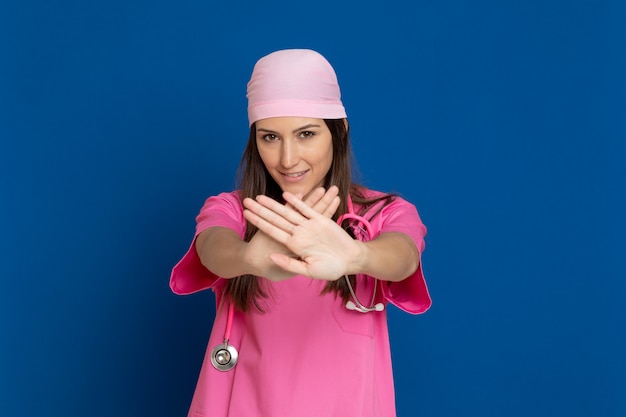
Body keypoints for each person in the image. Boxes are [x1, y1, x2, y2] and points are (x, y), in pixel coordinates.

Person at [170, 49, 431, 417]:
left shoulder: (384, 213)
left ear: (339, 131)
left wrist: (358, 256)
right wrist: (248, 258)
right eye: (270, 137)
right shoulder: (234, 209)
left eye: (306, 134)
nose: (288, 159)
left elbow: (403, 256)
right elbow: (212, 246)